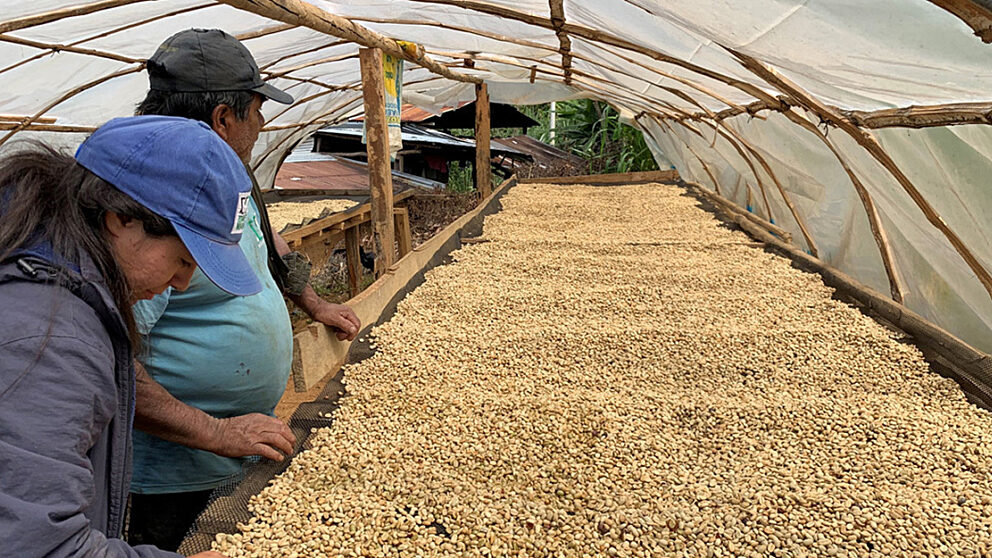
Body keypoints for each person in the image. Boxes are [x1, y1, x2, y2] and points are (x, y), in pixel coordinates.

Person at [126, 29, 361, 550]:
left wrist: (314, 303)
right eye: (256, 111)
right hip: (174, 473)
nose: (262, 125)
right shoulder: (150, 211)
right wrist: (218, 434)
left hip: (235, 449)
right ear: (223, 119)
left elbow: (266, 242)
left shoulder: (222, 178)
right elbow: (111, 361)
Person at [0, 115, 255, 557]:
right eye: (182, 259)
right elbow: (41, 546)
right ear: (121, 219)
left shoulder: (59, 283)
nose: (181, 282)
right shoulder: (50, 340)